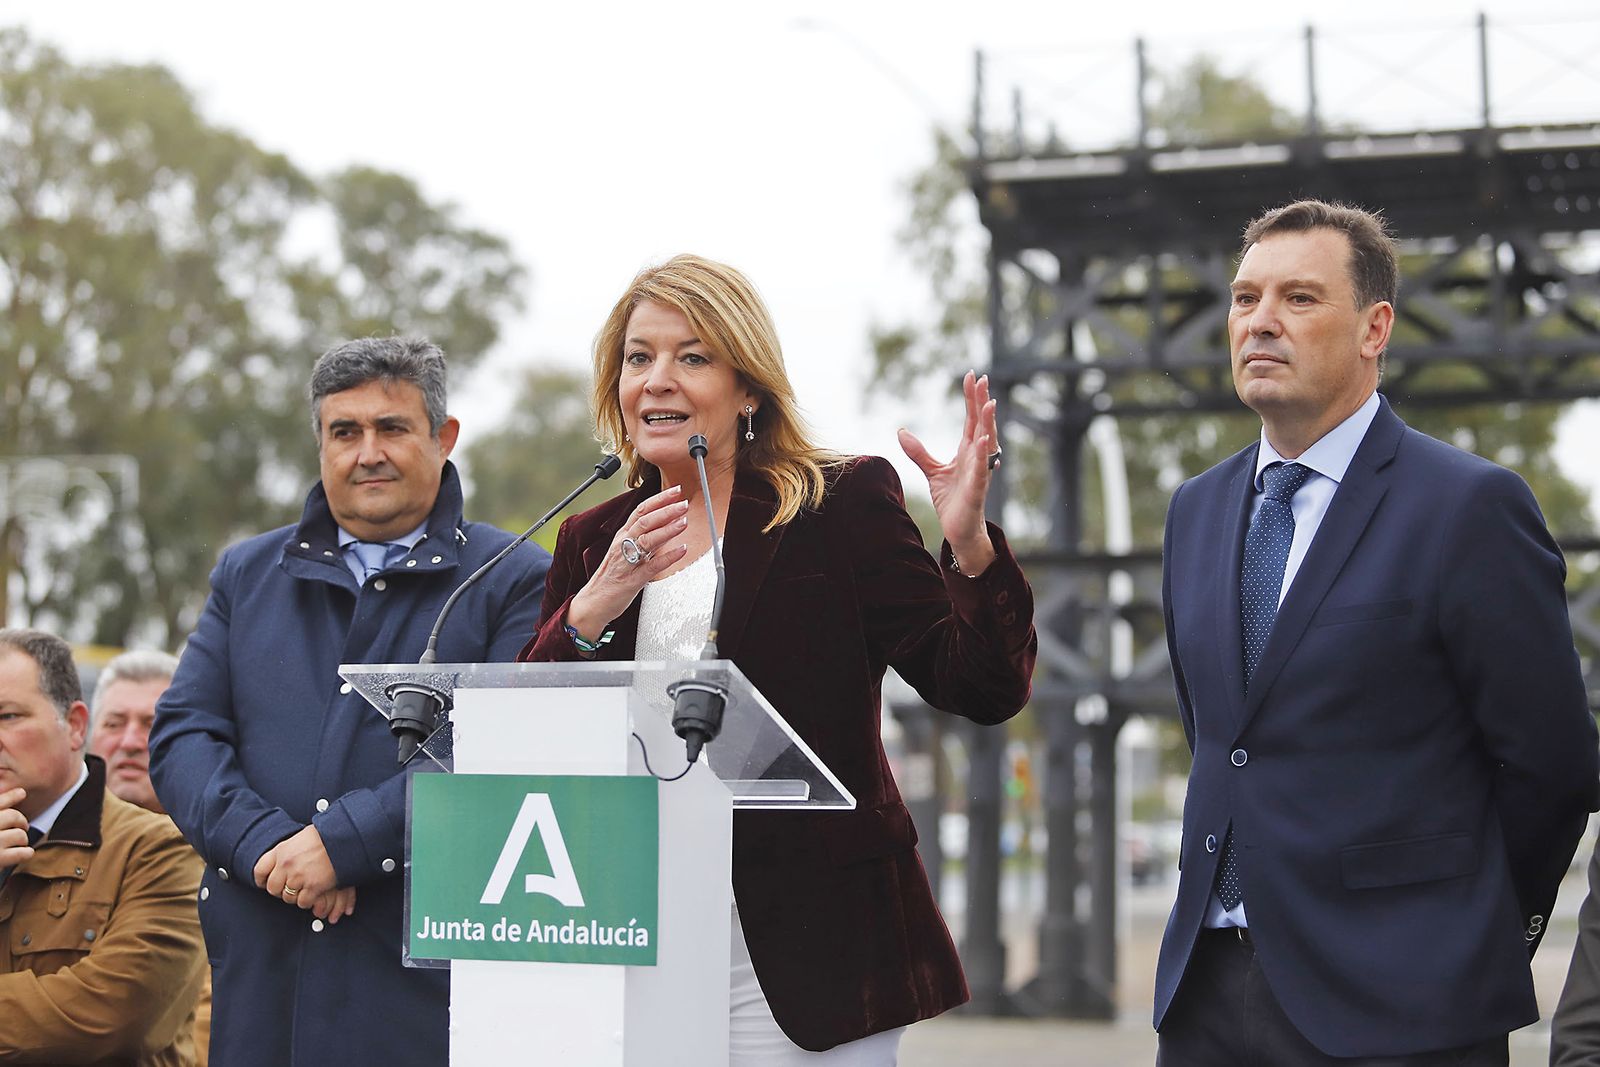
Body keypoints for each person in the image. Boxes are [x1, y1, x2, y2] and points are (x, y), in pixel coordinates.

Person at [519, 254, 1037, 1063]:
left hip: (815, 946)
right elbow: (531, 733)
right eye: (638, 357)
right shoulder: (593, 539)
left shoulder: (838, 505)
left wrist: (967, 544)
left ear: (748, 388)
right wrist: (594, 603)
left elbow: (980, 683)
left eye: (693, 356)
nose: (657, 379)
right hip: (635, 923)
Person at [1153, 199, 1598, 1064]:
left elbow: (1554, 764)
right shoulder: (1194, 511)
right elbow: (1222, 733)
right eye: (1246, 299)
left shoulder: (1468, 507)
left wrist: (1460, 927)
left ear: (1374, 328)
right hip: (1205, 997)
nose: (1261, 321)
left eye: (1300, 298)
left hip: (1402, 1002)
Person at [149, 337, 552, 1066]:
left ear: (443, 436)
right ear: (320, 443)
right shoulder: (246, 573)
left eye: (392, 428)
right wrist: (269, 846)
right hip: (264, 982)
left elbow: (504, 753)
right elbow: (183, 736)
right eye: (345, 432)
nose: (367, 452)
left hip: (423, 991)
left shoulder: (514, 576)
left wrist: (345, 846)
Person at [0, 628, 206, 1064]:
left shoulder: (163, 848)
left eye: (8, 716)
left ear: (74, 726)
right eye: (117, 722)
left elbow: (112, 1019)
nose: (131, 741)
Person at [89, 649, 213, 1067]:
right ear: (83, 734)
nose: (129, 741)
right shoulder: (27, 847)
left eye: (152, 724)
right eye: (113, 723)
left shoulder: (232, 864)